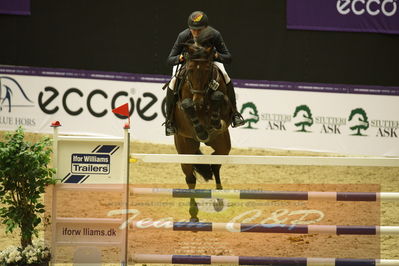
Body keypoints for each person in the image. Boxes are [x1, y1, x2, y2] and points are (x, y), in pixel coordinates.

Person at [164, 10, 245, 136]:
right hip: (188, 64)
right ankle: (169, 121)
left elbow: (228, 57)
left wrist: (215, 55)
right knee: (173, 81)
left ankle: (235, 114)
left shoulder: (215, 35)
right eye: (193, 30)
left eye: (199, 30)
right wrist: (181, 58)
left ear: (206, 28)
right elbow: (170, 59)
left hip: (208, 64)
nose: (196, 33)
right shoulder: (183, 35)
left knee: (225, 76)